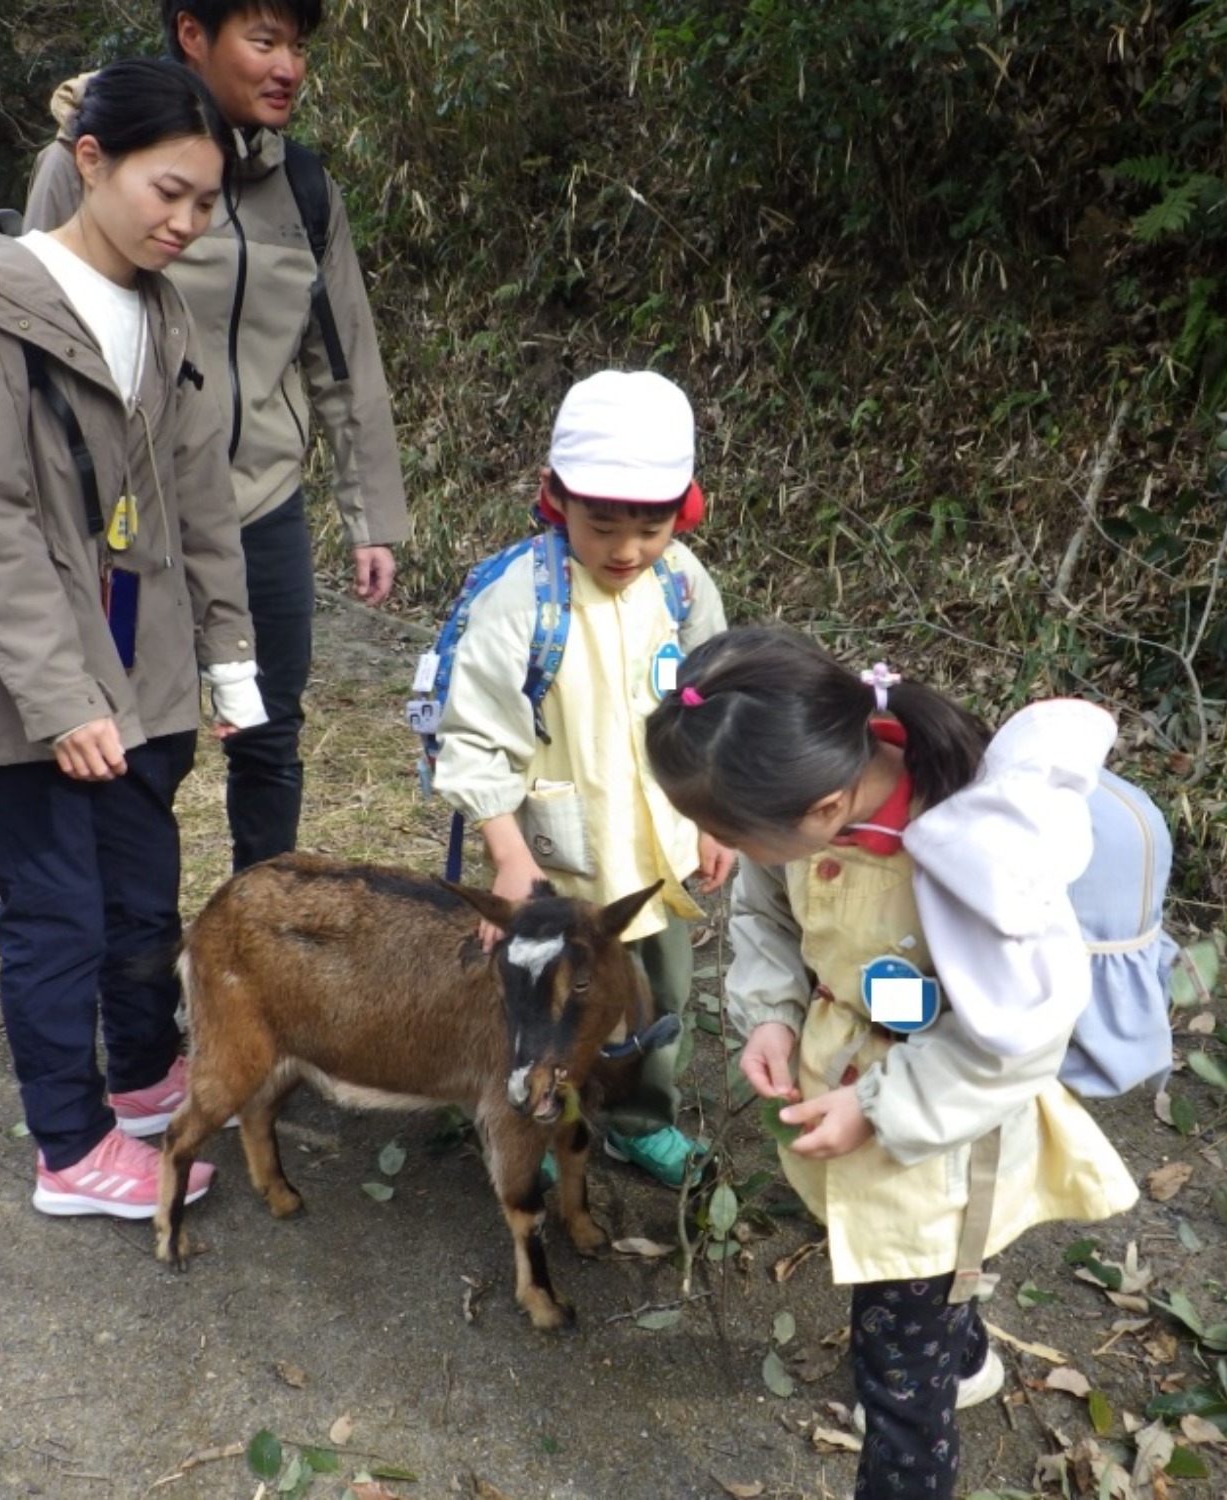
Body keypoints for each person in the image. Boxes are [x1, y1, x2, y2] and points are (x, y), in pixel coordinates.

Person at [0, 57, 264, 1221]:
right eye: (167, 191)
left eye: (206, 203)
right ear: (89, 162)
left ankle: (143, 1077)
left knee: (143, 897)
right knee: (57, 916)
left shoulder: (163, 307)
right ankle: (68, 1144)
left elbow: (199, 502)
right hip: (20, 681)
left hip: (141, 669)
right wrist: (60, 699)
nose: (185, 223)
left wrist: (229, 662)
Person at [643, 626, 1142, 1499]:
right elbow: (767, 910)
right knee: (925, 1296)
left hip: (940, 1138)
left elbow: (1019, 1038)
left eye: (725, 830)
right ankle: (967, 1355)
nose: (714, 846)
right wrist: (772, 1016)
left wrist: (880, 1107)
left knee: (899, 1380)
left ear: (826, 808)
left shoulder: (973, 863)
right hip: (855, 1072)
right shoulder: (808, 802)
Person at [24, 0, 409, 872]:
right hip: (130, 516)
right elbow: (39, 332)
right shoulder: (85, 157)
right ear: (193, 35)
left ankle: (263, 920)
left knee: (269, 733)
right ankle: (136, 935)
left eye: (298, 46)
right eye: (264, 41)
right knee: (138, 738)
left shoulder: (302, 186)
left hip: (264, 505)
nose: (288, 68)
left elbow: (343, 358)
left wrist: (372, 517)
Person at [431, 370, 731, 1187]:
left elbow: (711, 703)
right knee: (545, 1004)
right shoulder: (522, 599)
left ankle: (639, 1118)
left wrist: (711, 817)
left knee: (657, 994)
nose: (626, 551)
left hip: (654, 857)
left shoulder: (682, 585)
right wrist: (506, 855)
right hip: (554, 862)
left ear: (685, 512)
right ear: (555, 498)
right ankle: (537, 1120)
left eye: (652, 528)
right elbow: (474, 737)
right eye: (602, 527)